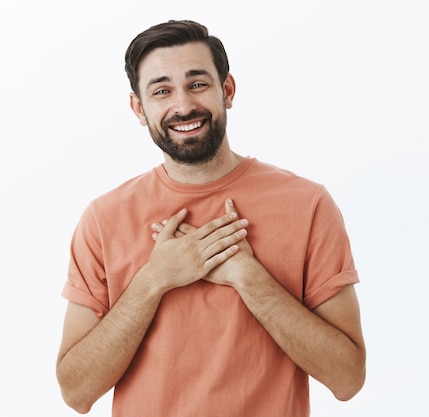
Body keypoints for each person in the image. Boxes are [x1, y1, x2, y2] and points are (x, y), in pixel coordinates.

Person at [56, 19, 366, 417]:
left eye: (197, 83)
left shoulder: (308, 204)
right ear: (139, 107)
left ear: (228, 90)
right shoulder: (103, 218)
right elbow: (75, 392)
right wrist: (153, 280)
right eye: (162, 90)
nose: (183, 105)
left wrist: (247, 277)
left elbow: (348, 378)